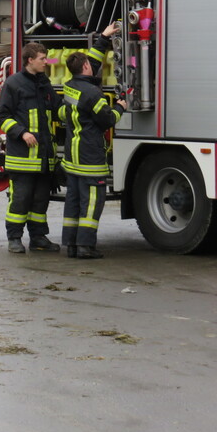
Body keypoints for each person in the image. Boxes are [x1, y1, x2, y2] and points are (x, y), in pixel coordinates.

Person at [59, 24, 127, 259]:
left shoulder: (70, 88)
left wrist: (104, 39)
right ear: (85, 66)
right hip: (90, 158)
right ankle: (86, 246)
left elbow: (92, 64)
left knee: (73, 202)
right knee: (91, 204)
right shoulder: (93, 94)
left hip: (72, 157)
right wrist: (120, 106)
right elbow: (107, 119)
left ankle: (71, 245)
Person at [0, 42, 62, 254]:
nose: (46, 62)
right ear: (30, 60)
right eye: (43, 59)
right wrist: (22, 132)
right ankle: (14, 238)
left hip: (44, 158)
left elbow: (56, 108)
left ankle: (38, 237)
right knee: (20, 200)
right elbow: (3, 117)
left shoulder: (44, 83)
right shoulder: (14, 84)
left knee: (40, 202)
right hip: (23, 159)